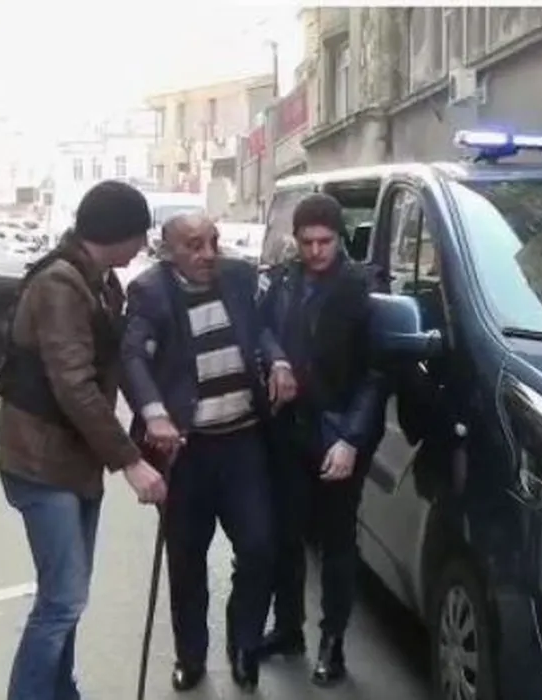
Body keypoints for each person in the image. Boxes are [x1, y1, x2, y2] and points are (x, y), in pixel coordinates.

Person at [0, 180, 168, 700]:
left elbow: (115, 362)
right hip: (41, 463)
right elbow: (74, 385)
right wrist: (130, 461)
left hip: (73, 461)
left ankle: (59, 691)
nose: (142, 245)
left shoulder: (99, 281)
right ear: (116, 232)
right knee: (62, 600)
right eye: (138, 234)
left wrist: (152, 416)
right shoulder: (61, 285)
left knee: (68, 597)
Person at [120, 214, 297, 693]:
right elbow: (132, 358)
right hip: (185, 449)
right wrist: (154, 413)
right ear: (168, 250)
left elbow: (258, 329)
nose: (209, 254)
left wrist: (278, 360)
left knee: (259, 547)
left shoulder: (237, 277)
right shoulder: (150, 291)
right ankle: (191, 656)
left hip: (242, 443)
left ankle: (244, 644)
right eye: (195, 245)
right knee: (186, 559)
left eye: (213, 242)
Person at [256, 193, 386, 686]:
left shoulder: (363, 288)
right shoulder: (285, 279)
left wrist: (351, 439)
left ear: (339, 238)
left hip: (339, 431)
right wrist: (277, 359)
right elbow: (261, 328)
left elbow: (376, 375)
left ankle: (333, 643)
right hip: (290, 427)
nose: (315, 251)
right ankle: (289, 628)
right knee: (286, 536)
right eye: (306, 241)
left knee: (336, 544)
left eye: (324, 242)